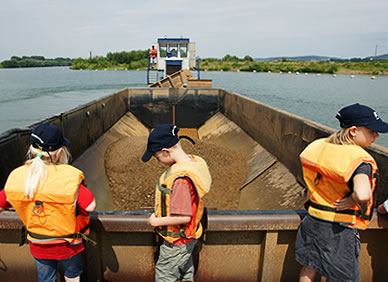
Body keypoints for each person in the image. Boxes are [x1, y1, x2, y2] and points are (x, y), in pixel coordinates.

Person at [295, 103, 388, 282]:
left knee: (309, 267)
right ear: (353, 130)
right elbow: (362, 194)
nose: (376, 135)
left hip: (313, 220)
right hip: (339, 228)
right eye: (372, 131)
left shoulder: (320, 146)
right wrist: (352, 199)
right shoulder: (360, 160)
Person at [0, 123, 96, 282]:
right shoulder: (68, 178)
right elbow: (90, 205)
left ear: (32, 149)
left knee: (46, 278)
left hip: (38, 243)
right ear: (59, 152)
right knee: (72, 275)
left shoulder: (19, 177)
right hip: (68, 244)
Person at [142, 123, 211, 282]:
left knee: (164, 274)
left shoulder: (180, 180)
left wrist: (155, 221)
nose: (158, 161)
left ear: (166, 152)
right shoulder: (194, 162)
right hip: (189, 237)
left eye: (157, 156)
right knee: (186, 271)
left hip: (177, 241)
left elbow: (183, 217)